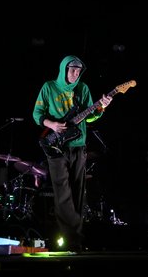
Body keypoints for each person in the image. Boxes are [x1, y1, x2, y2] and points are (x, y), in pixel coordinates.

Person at [32, 55, 112, 252]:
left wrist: (101, 107)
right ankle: (73, 236)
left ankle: (74, 241)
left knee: (78, 193)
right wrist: (51, 124)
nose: (76, 74)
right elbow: (37, 115)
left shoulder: (82, 89)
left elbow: (90, 118)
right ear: (64, 70)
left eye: (78, 71)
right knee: (63, 193)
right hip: (55, 147)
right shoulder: (49, 87)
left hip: (79, 145)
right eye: (72, 70)